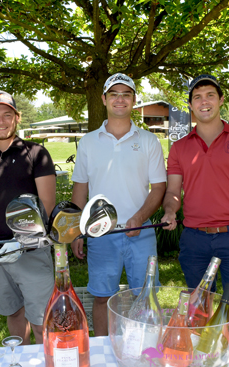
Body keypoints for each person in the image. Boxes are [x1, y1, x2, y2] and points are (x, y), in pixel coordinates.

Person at [71, 73, 167, 336]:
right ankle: (103, 352)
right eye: (114, 94)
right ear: (104, 99)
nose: (120, 99)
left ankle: (145, 350)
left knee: (147, 297)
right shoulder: (89, 142)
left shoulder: (148, 140)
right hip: (100, 232)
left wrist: (140, 216)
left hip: (142, 231)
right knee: (102, 297)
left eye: (126, 94)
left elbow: (159, 187)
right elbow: (80, 187)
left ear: (134, 100)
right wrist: (76, 230)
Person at [161, 74, 229, 290]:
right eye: (198, 97)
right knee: (201, 311)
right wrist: (170, 211)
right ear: (190, 105)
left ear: (221, 100)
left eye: (210, 95)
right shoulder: (179, 148)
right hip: (194, 241)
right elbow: (173, 191)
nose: (204, 102)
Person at [0, 91, 56, 345]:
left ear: (17, 118)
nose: (1, 121)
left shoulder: (37, 153)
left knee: (42, 323)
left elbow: (47, 205)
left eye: (7, 115)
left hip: (32, 250)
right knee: (14, 313)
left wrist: (27, 240)